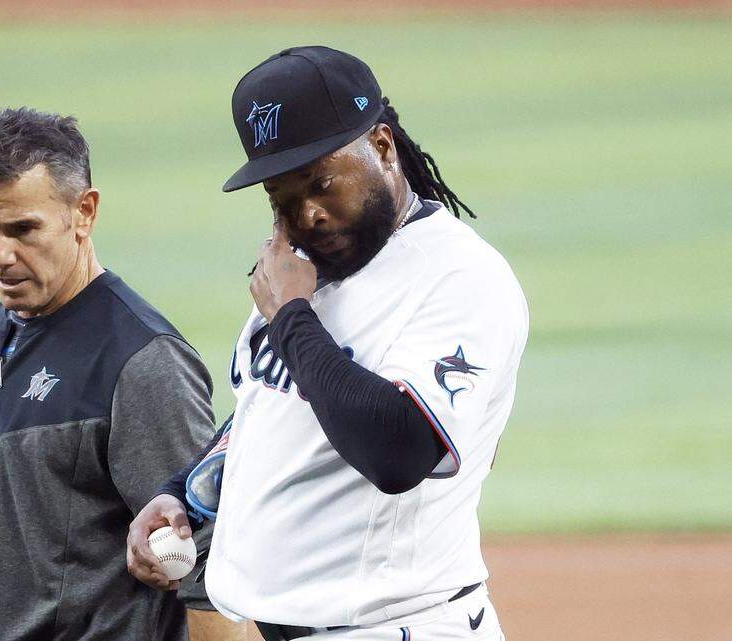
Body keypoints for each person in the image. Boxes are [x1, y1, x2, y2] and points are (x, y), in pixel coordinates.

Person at [128, 46, 528, 641]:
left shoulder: (461, 277)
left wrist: (290, 317)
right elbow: (272, 410)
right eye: (282, 198)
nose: (308, 215)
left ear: (383, 148)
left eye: (322, 183)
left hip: (398, 627)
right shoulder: (303, 273)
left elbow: (399, 451)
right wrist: (186, 492)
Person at [0, 108, 242, 641]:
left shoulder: (140, 360)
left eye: (23, 229)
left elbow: (206, 555)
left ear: (84, 213)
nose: (0, 255)